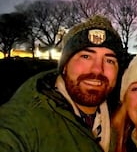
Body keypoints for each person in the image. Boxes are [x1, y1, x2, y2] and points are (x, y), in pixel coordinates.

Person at [0, 15, 124, 152]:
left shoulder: (118, 120)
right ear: (64, 66)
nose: (97, 69)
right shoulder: (26, 118)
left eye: (109, 61)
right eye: (86, 56)